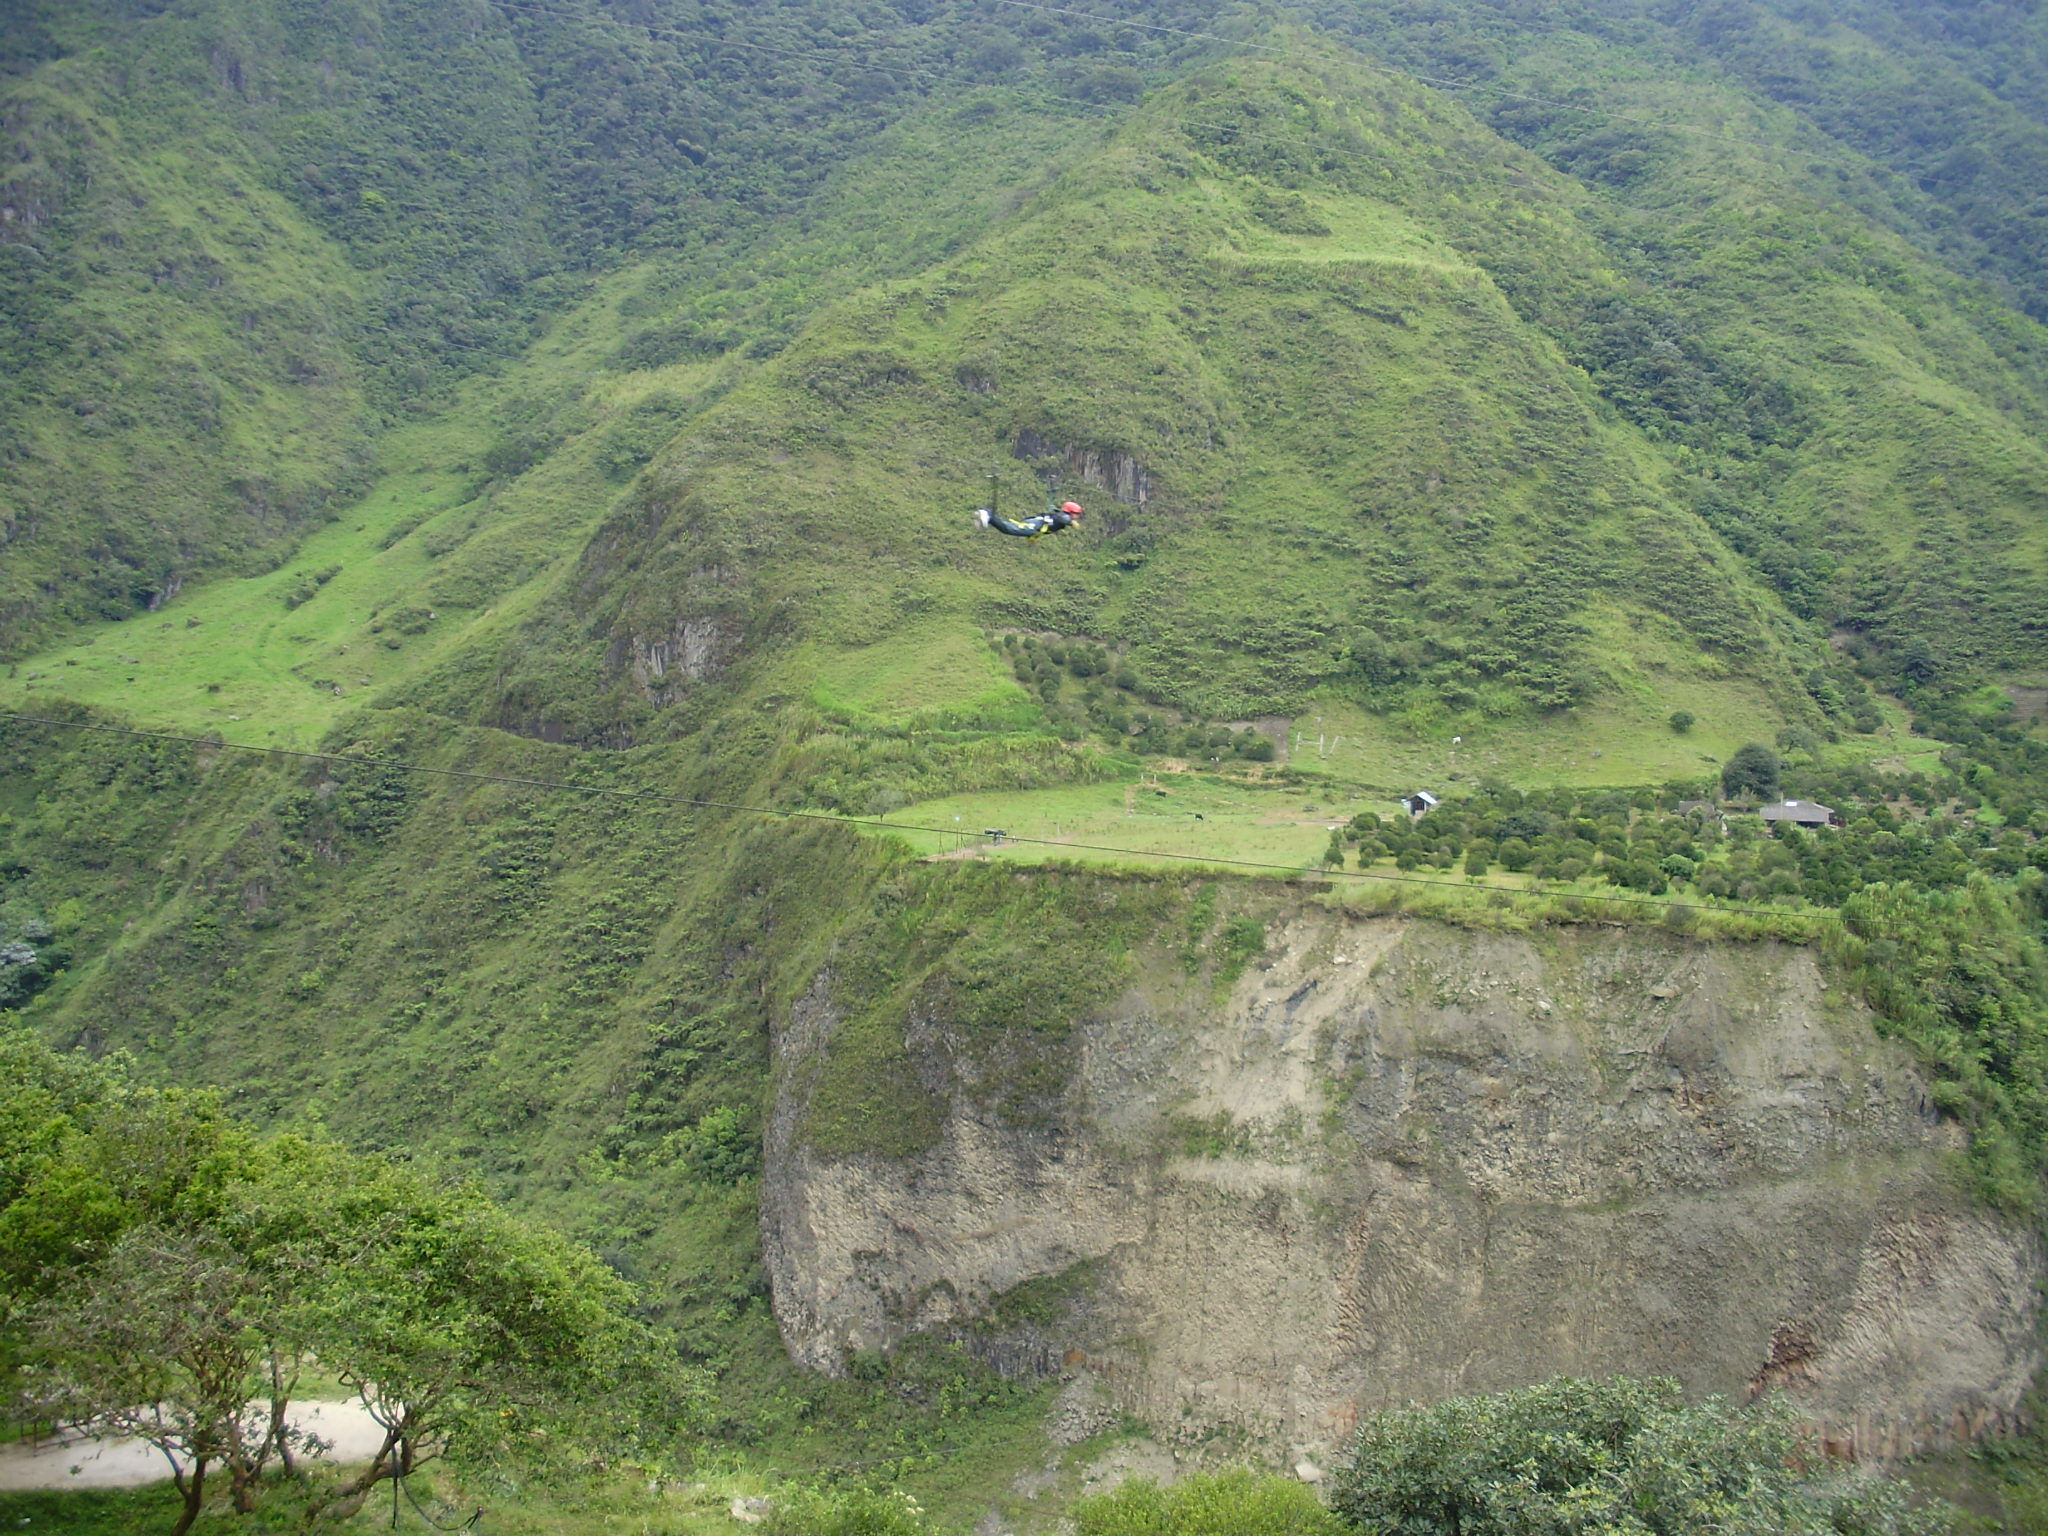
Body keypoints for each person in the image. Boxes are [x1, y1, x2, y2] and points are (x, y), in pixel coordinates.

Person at [977, 497, 1084, 539]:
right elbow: (1063, 518)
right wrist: (1072, 522)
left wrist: (1034, 537)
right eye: (1076, 514)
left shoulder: (1060, 517)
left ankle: (989, 517)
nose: (1077, 516)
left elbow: (1048, 527)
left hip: (1035, 526)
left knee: (1008, 529)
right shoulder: (1063, 516)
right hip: (1035, 525)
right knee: (1009, 529)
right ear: (1070, 512)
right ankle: (988, 514)